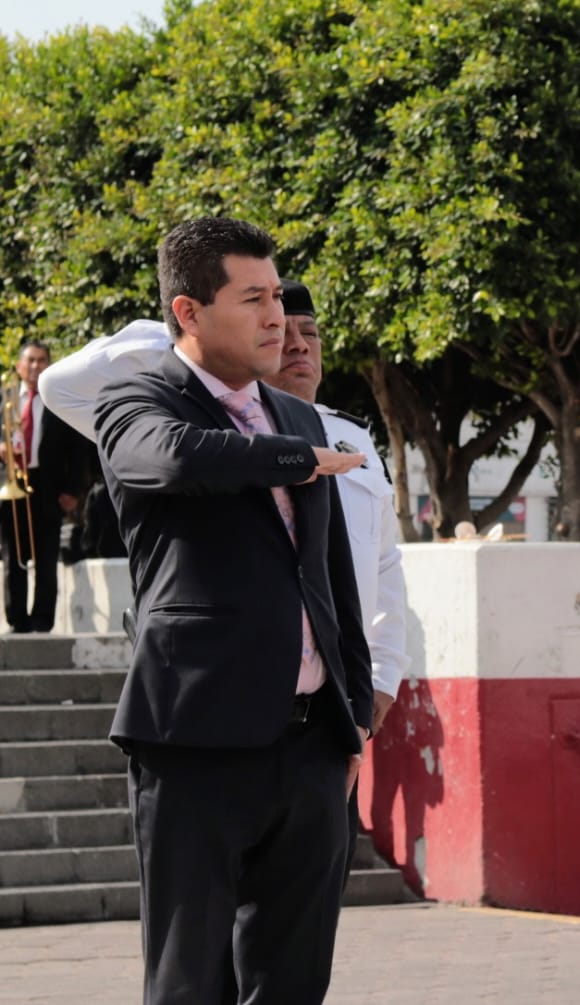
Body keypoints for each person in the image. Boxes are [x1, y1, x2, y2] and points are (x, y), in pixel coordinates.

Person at [39, 281, 412, 895]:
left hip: (322, 726)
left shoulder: (353, 441)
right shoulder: (186, 430)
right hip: (212, 723)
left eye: (309, 335)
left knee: (296, 949)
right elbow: (61, 386)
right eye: (274, 328)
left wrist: (378, 685)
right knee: (204, 951)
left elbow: (383, 573)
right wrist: (188, 334)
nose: (295, 346)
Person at [93, 217, 372, 1003]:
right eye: (252, 298)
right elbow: (174, 457)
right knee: (190, 980)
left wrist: (354, 715)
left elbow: (331, 575)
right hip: (194, 740)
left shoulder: (299, 416)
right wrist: (296, 460)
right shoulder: (139, 396)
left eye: (277, 295)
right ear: (189, 311)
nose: (276, 317)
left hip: (312, 744)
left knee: (293, 979)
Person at [0, 341, 91, 633]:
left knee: (47, 554)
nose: (36, 366)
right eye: (31, 361)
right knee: (12, 555)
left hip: (48, 486)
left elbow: (77, 450)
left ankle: (42, 619)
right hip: (12, 483)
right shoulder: (4, 399)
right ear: (19, 366)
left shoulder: (57, 400)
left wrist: (73, 491)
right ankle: (17, 620)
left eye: (42, 361)